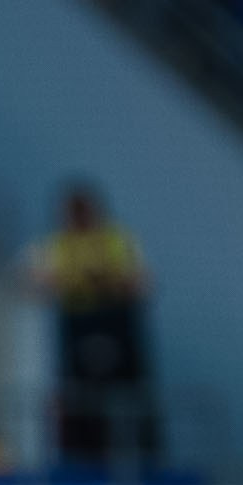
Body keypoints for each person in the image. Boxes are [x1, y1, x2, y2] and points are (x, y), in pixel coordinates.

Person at [24, 184, 157, 468]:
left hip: (116, 325)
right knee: (79, 399)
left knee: (130, 397)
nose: (76, 220)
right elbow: (36, 284)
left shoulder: (118, 239)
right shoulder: (56, 244)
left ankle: (145, 459)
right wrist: (80, 282)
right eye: (71, 215)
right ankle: (81, 461)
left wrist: (101, 283)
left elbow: (142, 284)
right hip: (77, 327)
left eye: (81, 213)